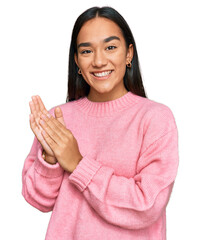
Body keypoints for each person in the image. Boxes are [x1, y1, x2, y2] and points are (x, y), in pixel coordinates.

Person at [22, 6, 179, 240]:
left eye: (111, 47)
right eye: (86, 51)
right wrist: (51, 159)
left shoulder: (155, 118)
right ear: (76, 60)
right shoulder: (58, 119)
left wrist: (77, 163)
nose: (98, 60)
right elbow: (38, 200)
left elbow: (147, 204)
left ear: (129, 54)